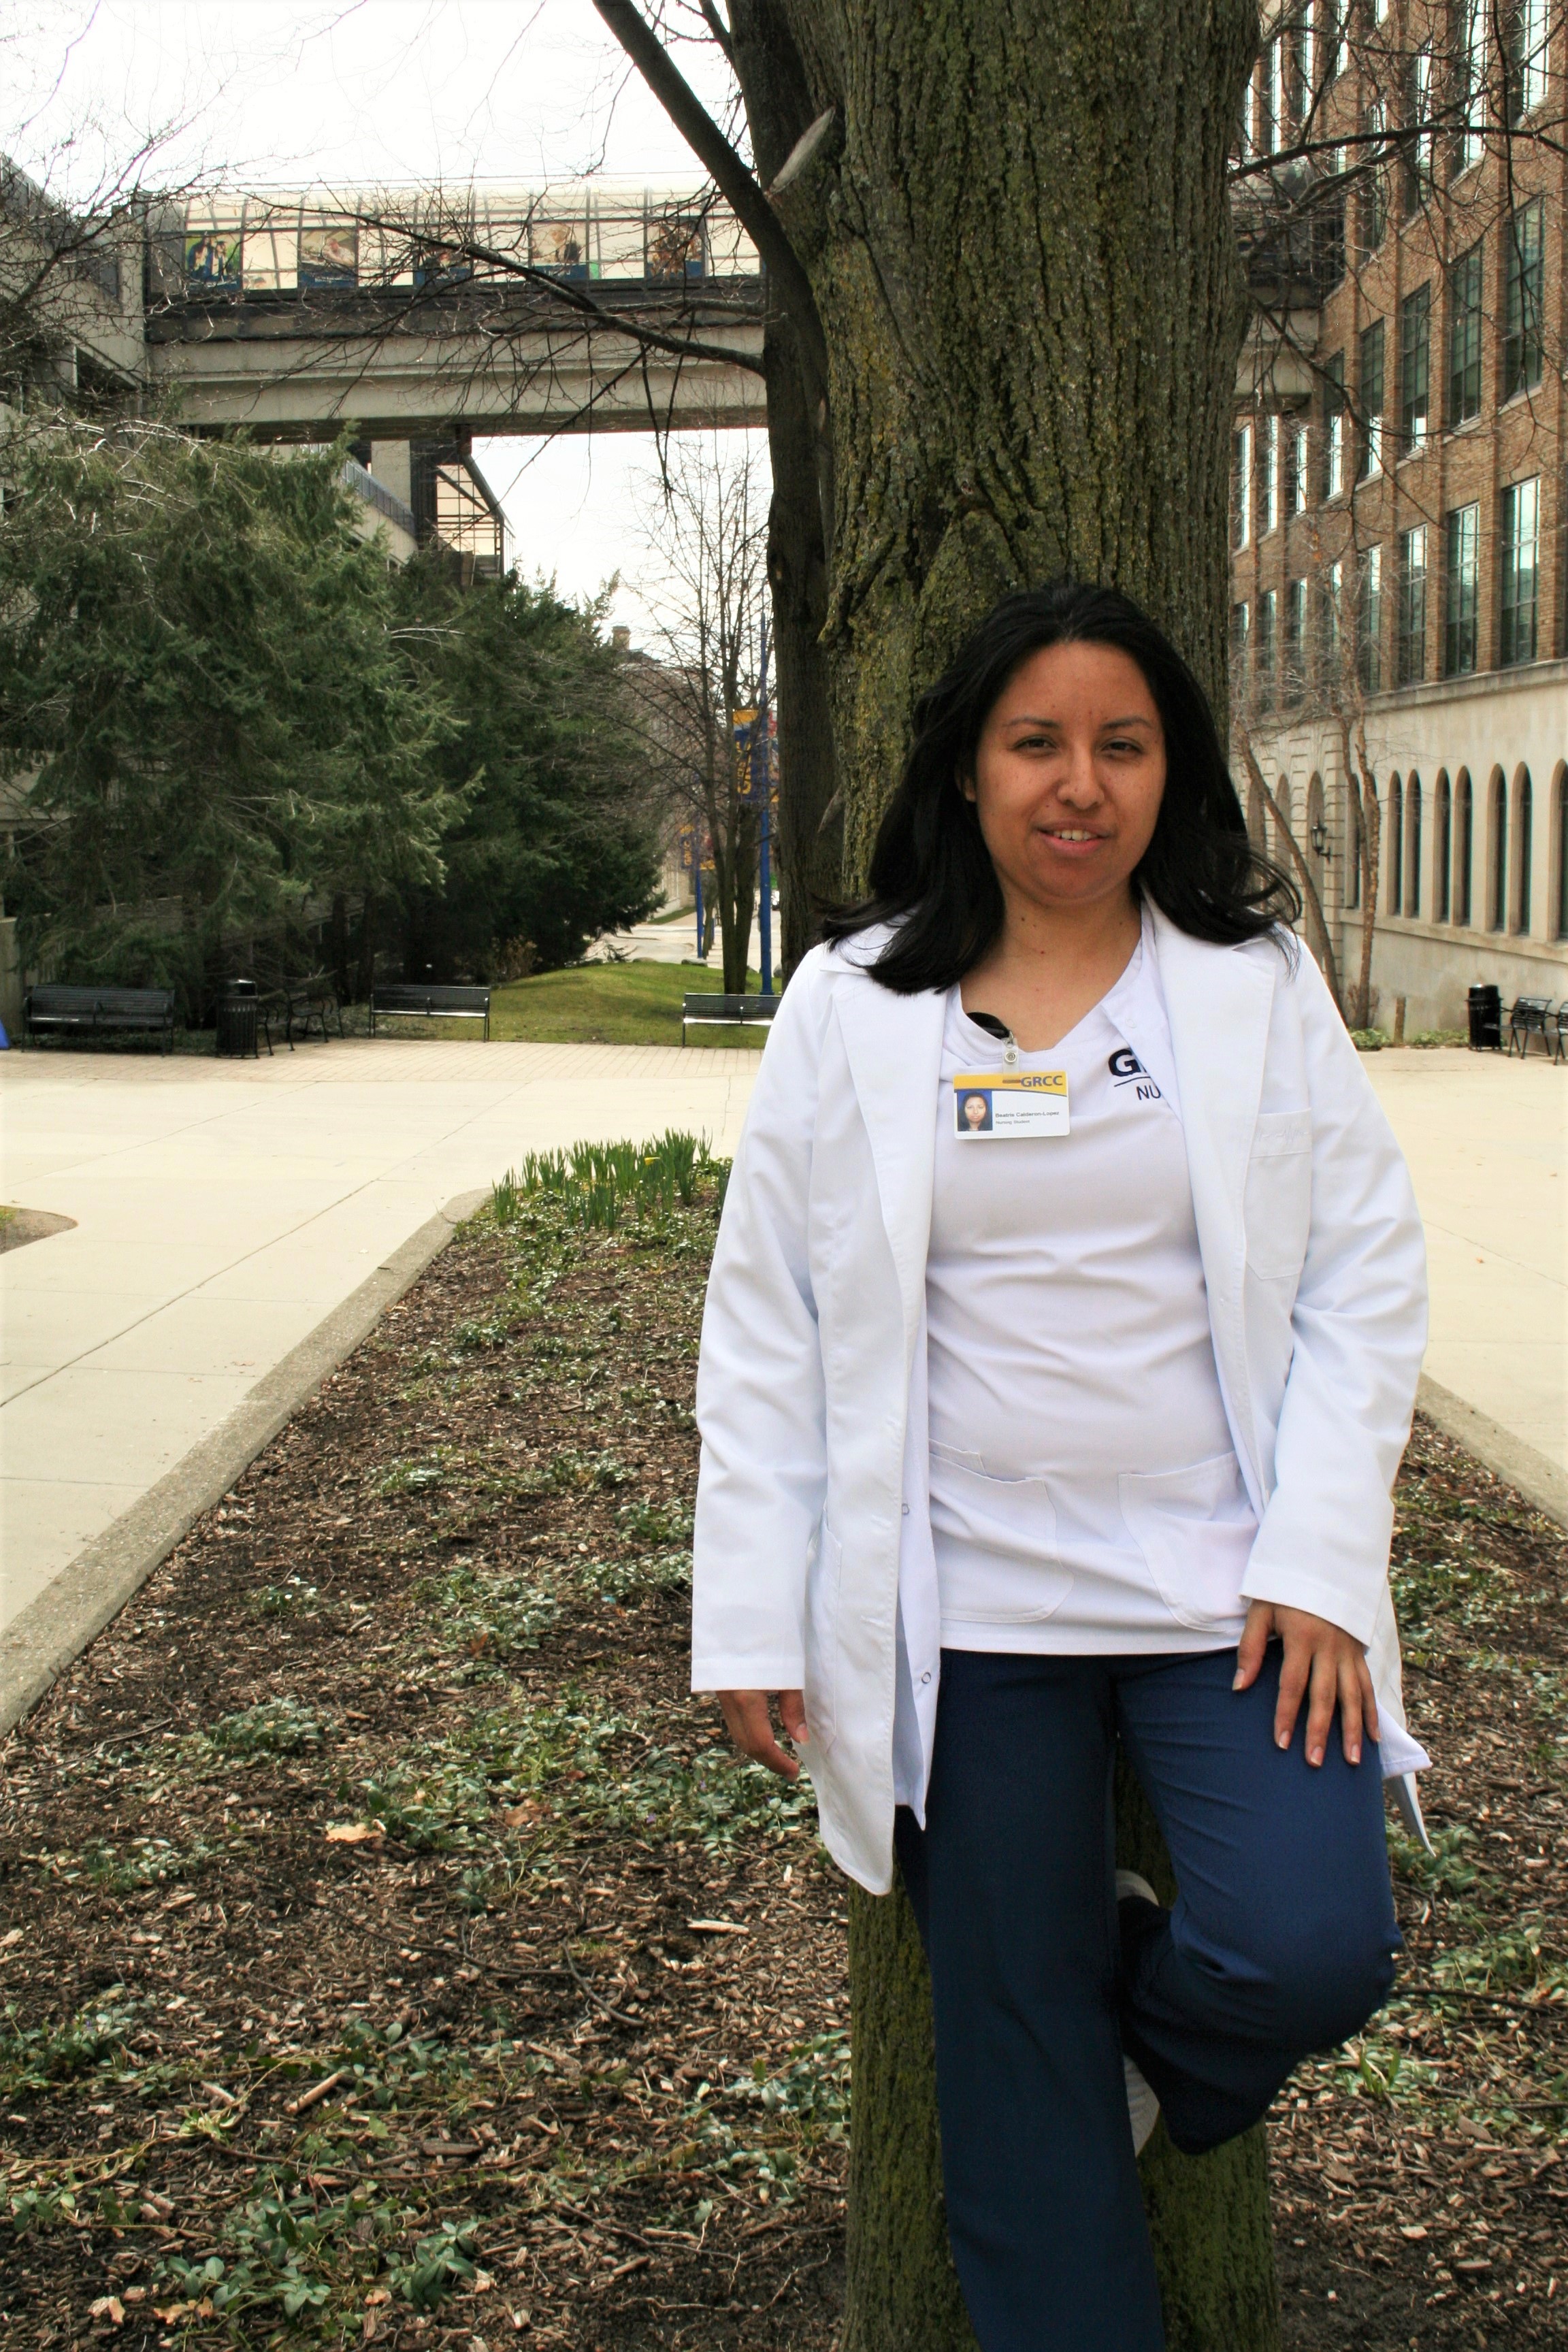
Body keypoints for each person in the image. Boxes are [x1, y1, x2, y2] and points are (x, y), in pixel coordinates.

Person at [690, 580, 1428, 2351]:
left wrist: (1322, 1553)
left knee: (1308, 1945)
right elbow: (766, 1323)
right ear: (965, 769)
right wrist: (750, 1616)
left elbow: (1368, 1271)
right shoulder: (855, 1005)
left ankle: (1140, 2025)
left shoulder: (1253, 991)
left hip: (1224, 1589)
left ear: (1172, 775)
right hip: (961, 1608)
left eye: (1122, 745)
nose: (1078, 784)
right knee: (1017, 2087)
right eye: (1036, 744)